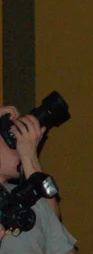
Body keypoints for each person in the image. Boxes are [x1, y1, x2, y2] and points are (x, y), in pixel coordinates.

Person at [0, 107, 75, 253]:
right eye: (9, 135)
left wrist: (30, 158)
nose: (17, 141)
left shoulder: (21, 201)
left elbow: (58, 242)